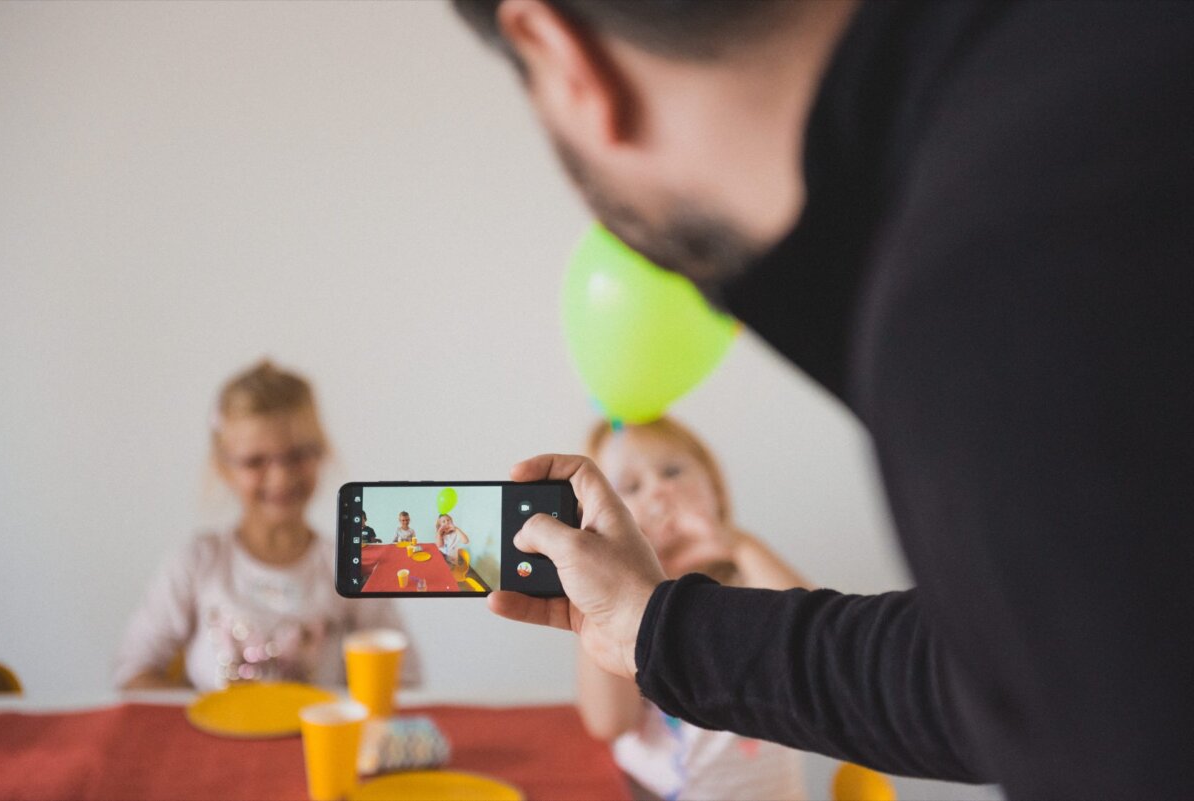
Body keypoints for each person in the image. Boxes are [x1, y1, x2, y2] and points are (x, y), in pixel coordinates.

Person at [452, 1, 1194, 798]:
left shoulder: (982, 279)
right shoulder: (1100, 64)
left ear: (557, 54)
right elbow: (1023, 673)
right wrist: (654, 626)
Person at [114, 360, 420, 691]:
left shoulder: (355, 566)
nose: (281, 476)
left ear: (321, 452)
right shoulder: (198, 563)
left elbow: (402, 680)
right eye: (255, 461)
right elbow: (134, 672)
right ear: (224, 467)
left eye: (298, 455)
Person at [581, 417, 811, 801]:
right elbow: (608, 721)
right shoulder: (626, 604)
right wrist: (604, 592)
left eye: (672, 470)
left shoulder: (747, 575)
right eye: (631, 487)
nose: (659, 491)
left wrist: (737, 544)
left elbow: (821, 645)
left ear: (716, 489)